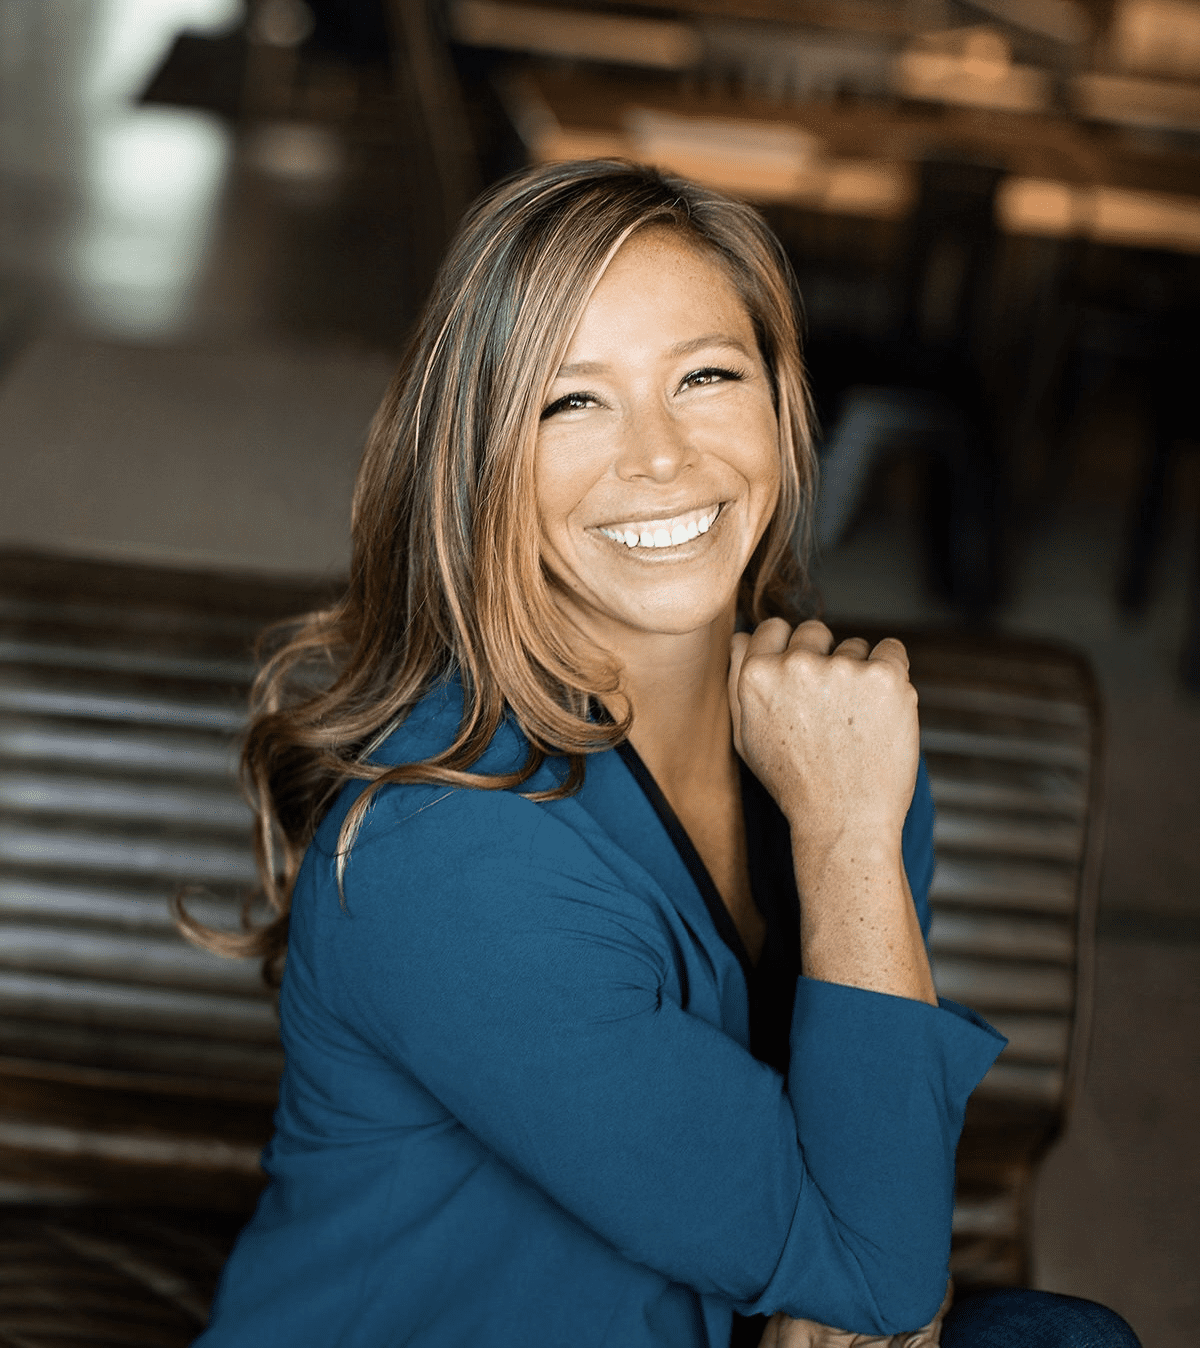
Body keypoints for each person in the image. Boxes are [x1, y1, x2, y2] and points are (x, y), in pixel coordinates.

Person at [184, 160, 1140, 1347]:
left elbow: (870, 1193)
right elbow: (878, 1260)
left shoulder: (830, 741)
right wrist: (848, 828)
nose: (660, 456)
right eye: (571, 401)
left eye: (705, 376)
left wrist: (849, 1274)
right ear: (478, 461)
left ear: (785, 412)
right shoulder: (452, 849)